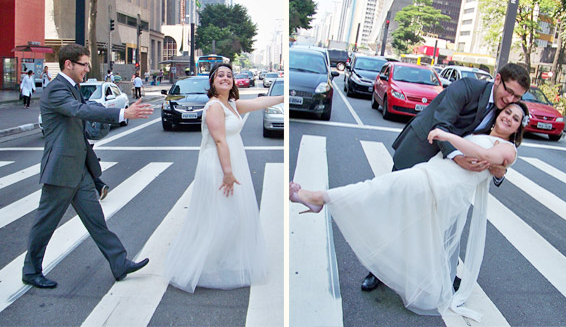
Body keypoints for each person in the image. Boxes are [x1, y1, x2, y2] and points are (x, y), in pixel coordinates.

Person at [290, 102, 530, 321]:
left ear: (518, 128)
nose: (509, 118)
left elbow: (487, 156)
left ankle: (318, 198)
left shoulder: (508, 149)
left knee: (379, 189)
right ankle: (403, 279)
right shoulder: (482, 132)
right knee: (410, 228)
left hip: (443, 188)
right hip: (434, 176)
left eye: (516, 118)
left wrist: (446, 135)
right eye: (507, 112)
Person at [361, 63, 530, 292]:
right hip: (421, 149)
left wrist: (499, 171)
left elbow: (495, 146)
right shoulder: (467, 87)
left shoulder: (504, 111)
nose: (510, 99)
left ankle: (442, 271)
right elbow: (441, 124)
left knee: (439, 221)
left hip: (446, 170)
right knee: (398, 211)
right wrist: (458, 157)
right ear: (497, 79)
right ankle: (377, 270)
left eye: (516, 96)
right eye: (508, 91)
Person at [22, 44, 154, 289]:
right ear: (68, 64)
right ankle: (31, 270)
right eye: (84, 64)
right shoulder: (56, 90)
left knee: (96, 220)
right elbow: (80, 110)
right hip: (61, 170)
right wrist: (122, 113)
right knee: (46, 223)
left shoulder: (72, 88)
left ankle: (118, 262)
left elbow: (84, 114)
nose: (87, 69)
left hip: (79, 169)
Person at [164, 63, 283, 292]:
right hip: (218, 166)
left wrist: (280, 99)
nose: (225, 78)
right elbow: (219, 140)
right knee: (222, 216)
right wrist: (228, 173)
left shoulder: (231, 104)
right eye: (220, 75)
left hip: (230, 162)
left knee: (229, 214)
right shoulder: (214, 107)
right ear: (212, 81)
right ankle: (201, 264)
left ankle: (218, 260)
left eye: (229, 75)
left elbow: (258, 103)